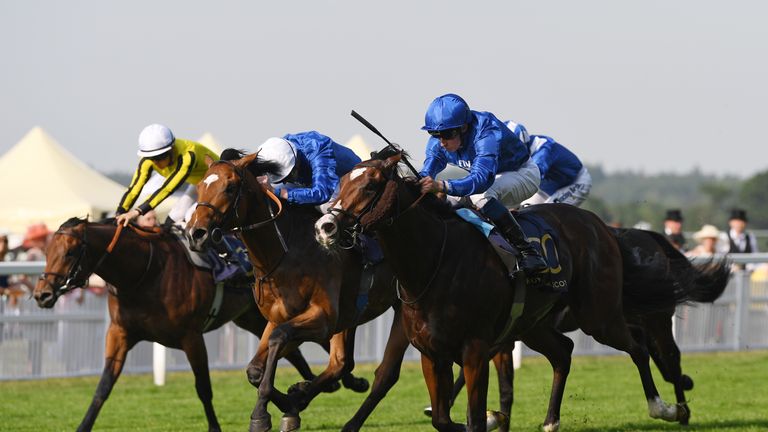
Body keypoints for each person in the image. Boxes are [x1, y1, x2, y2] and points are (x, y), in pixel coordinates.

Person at [417, 93, 547, 275]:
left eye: (446, 134)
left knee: (479, 196)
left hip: (522, 173)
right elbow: (430, 166)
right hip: (492, 179)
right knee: (447, 204)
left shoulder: (486, 132)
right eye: (435, 134)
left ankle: (529, 252)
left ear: (463, 127)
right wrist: (418, 180)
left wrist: (442, 186)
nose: (441, 141)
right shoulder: (441, 140)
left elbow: (481, 180)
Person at [115, 124, 219, 228]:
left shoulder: (188, 156)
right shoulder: (147, 161)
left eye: (160, 156)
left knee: (189, 217)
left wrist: (137, 211)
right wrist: (120, 213)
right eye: (151, 158)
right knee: (171, 221)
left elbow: (167, 188)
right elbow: (134, 188)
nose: (156, 162)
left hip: (219, 185)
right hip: (199, 185)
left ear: (172, 149)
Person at [255, 131, 362, 211]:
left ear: (296, 161)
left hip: (344, 178)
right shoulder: (278, 150)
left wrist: (277, 192)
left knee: (328, 208)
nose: (286, 181)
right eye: (283, 179)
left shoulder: (317, 147)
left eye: (288, 176)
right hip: (310, 180)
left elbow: (321, 194)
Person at [518, 133, 592, 207]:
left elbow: (533, 176)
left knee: (547, 212)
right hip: (551, 186)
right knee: (525, 209)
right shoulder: (526, 146)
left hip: (576, 181)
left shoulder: (542, 150)